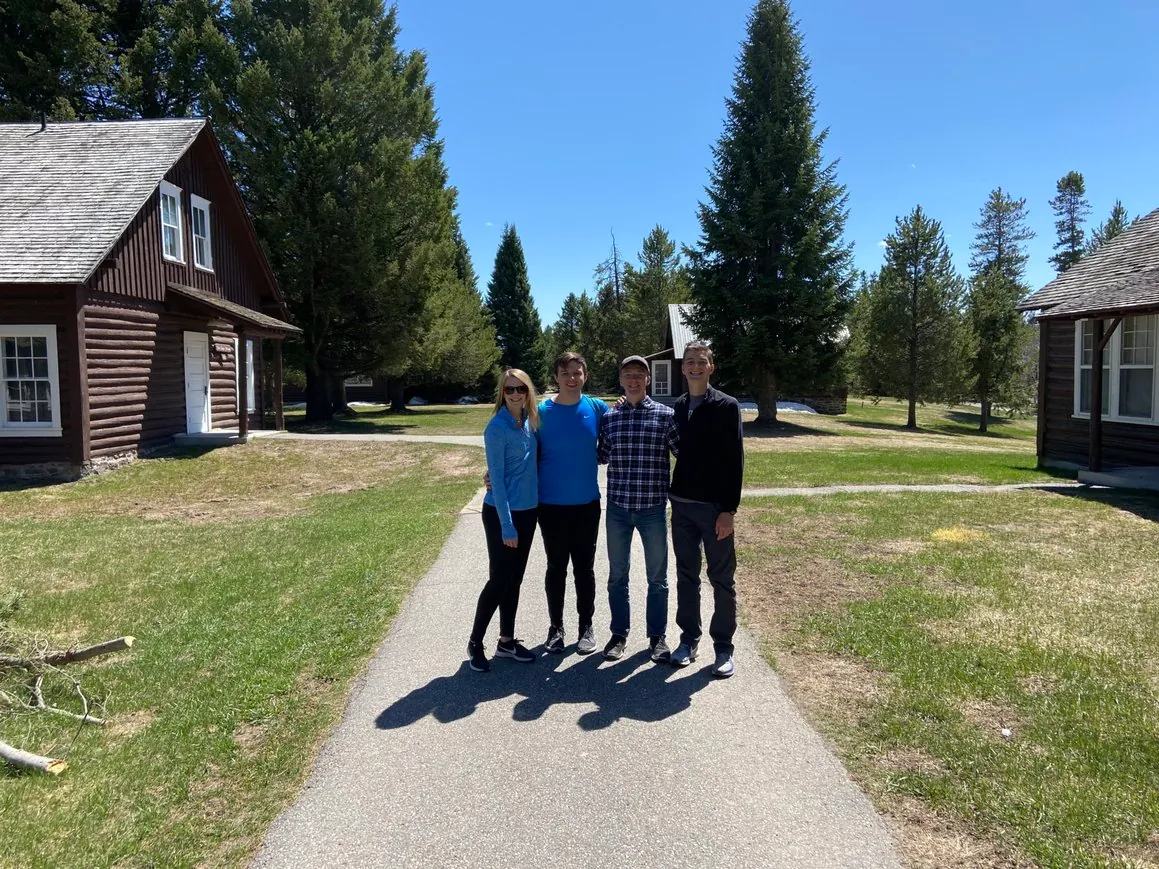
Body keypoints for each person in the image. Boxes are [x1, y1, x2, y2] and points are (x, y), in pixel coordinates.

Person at [668, 341, 744, 678]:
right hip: (682, 506)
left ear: (711, 367)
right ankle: (689, 640)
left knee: (721, 579)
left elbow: (735, 461)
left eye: (702, 362)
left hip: (715, 510)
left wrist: (728, 510)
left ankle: (724, 647)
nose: (695, 367)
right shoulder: (679, 406)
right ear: (682, 369)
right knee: (687, 576)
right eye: (690, 362)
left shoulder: (727, 407)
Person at [597, 355, 679, 662]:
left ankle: (657, 637)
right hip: (618, 508)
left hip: (652, 509)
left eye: (639, 375)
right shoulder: (610, 418)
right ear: (621, 379)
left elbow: (685, 453)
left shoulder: (665, 415)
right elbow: (599, 455)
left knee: (657, 577)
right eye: (628, 375)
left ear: (647, 380)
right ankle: (619, 635)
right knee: (617, 576)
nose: (633, 380)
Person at [467, 369, 540, 673]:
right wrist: (506, 525)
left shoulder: (530, 422)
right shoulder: (496, 428)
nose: (514, 394)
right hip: (502, 514)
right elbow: (495, 476)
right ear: (502, 393)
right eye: (509, 389)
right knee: (499, 580)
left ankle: (506, 641)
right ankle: (475, 642)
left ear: (527, 391)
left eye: (520, 389)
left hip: (528, 511)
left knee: (515, 579)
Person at [537, 352, 608, 655]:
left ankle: (586, 626)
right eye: (566, 372)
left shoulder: (597, 408)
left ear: (585, 376)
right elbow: (520, 450)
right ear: (556, 376)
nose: (572, 378)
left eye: (577, 373)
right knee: (556, 568)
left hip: (586, 504)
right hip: (550, 505)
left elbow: (620, 429)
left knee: (585, 568)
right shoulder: (540, 412)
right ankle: (556, 627)